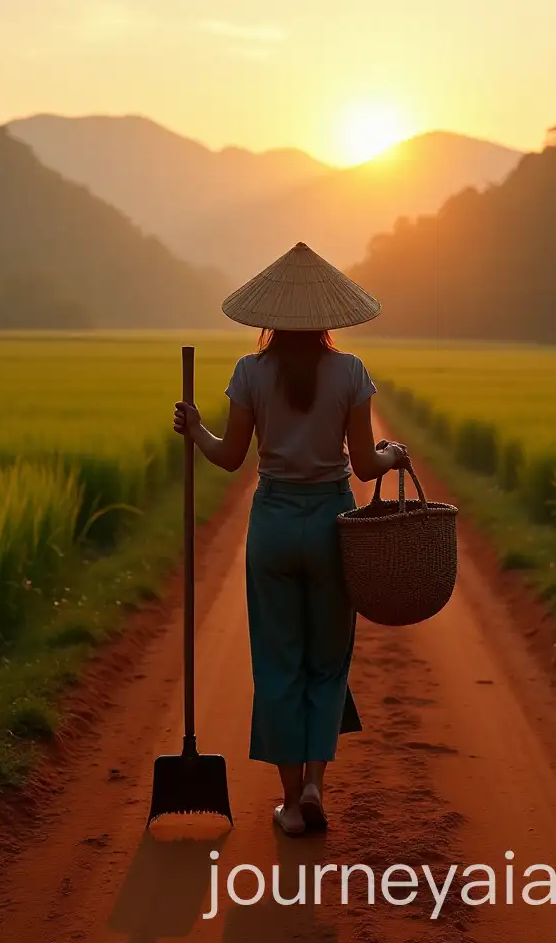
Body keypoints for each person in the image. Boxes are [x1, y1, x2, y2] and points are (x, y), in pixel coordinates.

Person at [172, 242, 410, 836]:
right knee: (327, 662)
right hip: (332, 525)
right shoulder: (350, 372)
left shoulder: (250, 372)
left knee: (278, 663)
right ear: (329, 316)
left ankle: (289, 805)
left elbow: (230, 457)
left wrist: (196, 428)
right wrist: (393, 454)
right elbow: (364, 466)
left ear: (269, 316)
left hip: (273, 526)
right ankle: (313, 787)